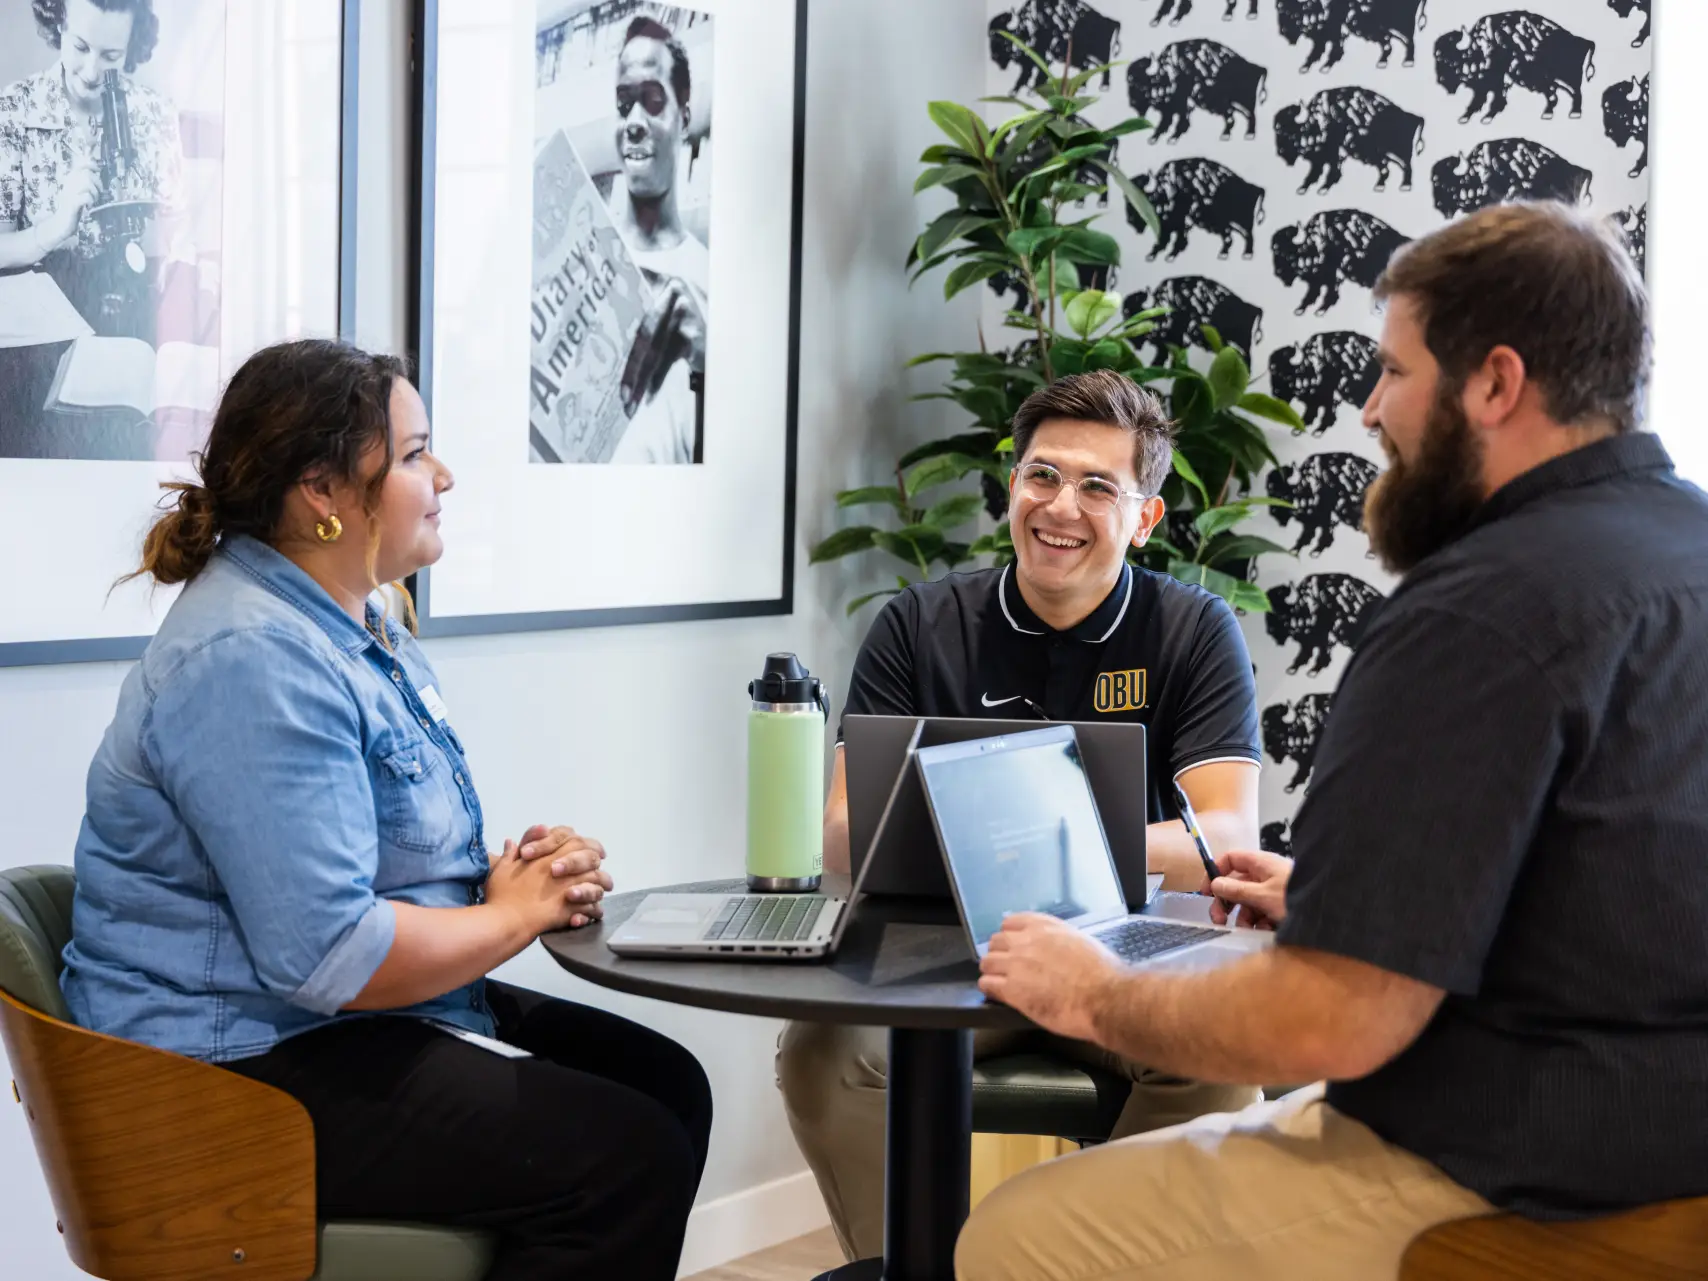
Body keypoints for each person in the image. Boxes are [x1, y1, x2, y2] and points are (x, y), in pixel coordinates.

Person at [955, 202, 1708, 1281]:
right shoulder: (1685, 552)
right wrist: (1336, 898)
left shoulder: (1475, 614)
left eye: (1393, 373)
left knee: (1016, 1235)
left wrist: (1088, 992)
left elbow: (1329, 1023)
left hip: (1532, 1169)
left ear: (1493, 384)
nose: (1367, 411)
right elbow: (1621, 884)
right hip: (1665, 1136)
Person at [59, 339, 712, 1281]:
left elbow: (366, 860)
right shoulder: (250, 658)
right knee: (624, 1154)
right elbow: (326, 952)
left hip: (315, 1024)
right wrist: (510, 915)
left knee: (666, 1086)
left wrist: (507, 881)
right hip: (227, 1075)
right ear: (323, 491)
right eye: (412, 455)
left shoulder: (360, 622)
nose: (441, 475)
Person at [777, 369, 1266, 1262]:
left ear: (1145, 517)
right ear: (1012, 485)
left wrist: (1032, 838)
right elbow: (844, 834)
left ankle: (1078, 1259)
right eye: (1042, 474)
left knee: (1223, 1056)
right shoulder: (917, 623)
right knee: (822, 1055)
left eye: (1097, 486)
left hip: (1131, 945)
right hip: (950, 952)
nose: (1060, 506)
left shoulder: (1196, 630)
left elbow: (1228, 836)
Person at [0, 0, 184, 333]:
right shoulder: (13, 110)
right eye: (80, 47)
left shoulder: (156, 114)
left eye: (111, 56)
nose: (92, 71)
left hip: (132, 313)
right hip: (41, 321)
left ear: (132, 45)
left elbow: (178, 237)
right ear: (59, 23)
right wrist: (54, 228)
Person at [609, 14, 707, 465]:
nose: (633, 120)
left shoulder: (711, 279)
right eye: (624, 103)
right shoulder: (581, 259)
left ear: (683, 118)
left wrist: (708, 364)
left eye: (651, 101)